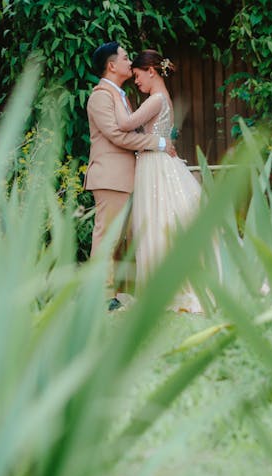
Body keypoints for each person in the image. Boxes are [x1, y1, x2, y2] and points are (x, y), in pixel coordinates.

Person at [109, 50, 204, 313]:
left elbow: (126, 124)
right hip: (158, 163)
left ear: (151, 71)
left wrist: (115, 93)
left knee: (157, 223)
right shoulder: (165, 99)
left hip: (154, 166)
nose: (136, 82)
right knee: (162, 221)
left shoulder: (155, 99)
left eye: (138, 76)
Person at [84, 42, 175, 309]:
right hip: (110, 177)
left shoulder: (120, 95)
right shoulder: (101, 96)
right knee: (106, 238)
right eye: (124, 58)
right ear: (112, 66)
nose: (129, 62)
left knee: (115, 239)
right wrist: (157, 143)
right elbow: (117, 134)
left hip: (124, 177)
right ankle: (101, 297)